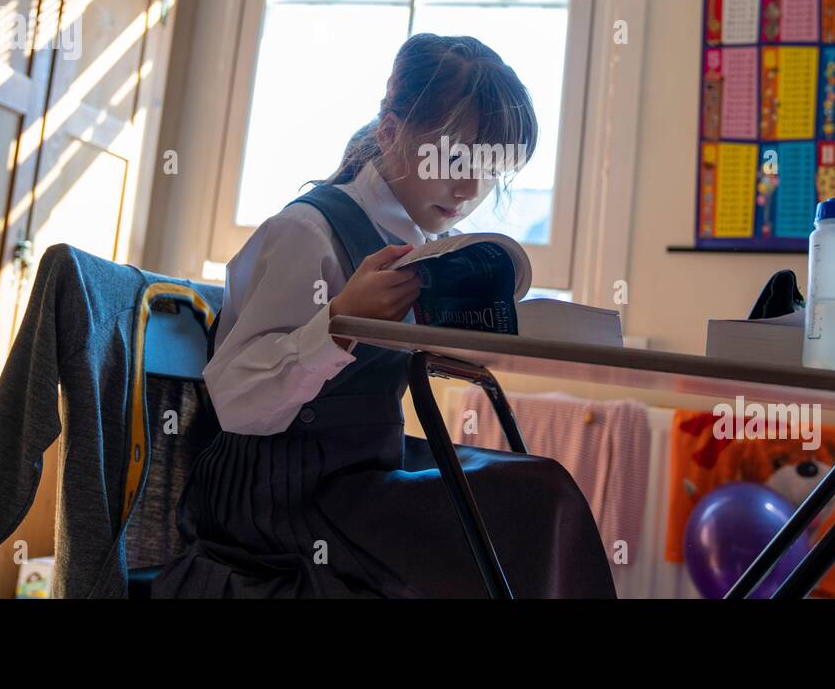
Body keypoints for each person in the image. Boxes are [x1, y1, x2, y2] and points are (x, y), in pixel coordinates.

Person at [152, 33, 616, 598]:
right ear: (391, 131)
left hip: (357, 471)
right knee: (529, 503)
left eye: (491, 168)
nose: (469, 188)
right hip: (278, 493)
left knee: (541, 488)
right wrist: (340, 322)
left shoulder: (417, 243)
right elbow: (235, 398)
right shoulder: (307, 232)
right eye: (453, 157)